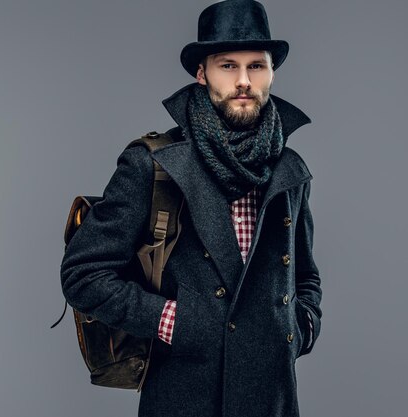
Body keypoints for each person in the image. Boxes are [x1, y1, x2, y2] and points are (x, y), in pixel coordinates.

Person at [60, 0, 323, 416]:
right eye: (227, 65)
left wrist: (300, 327)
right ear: (202, 73)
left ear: (271, 73)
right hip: (185, 396)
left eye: (256, 66)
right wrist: (174, 322)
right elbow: (82, 274)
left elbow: (305, 276)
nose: (243, 81)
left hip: (272, 399)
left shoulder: (290, 172)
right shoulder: (155, 163)